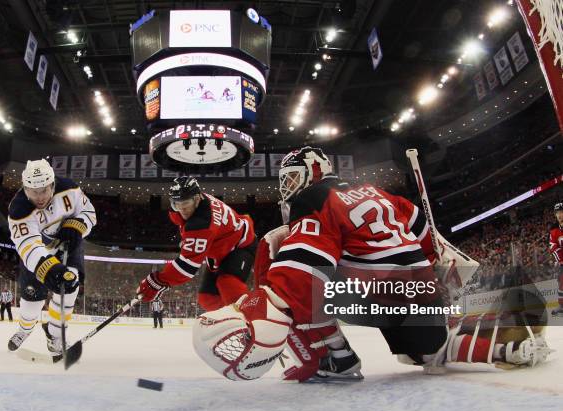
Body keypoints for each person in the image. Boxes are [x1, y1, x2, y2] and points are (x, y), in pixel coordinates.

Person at [193, 146, 551, 381]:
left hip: (375, 295)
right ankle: (510, 349)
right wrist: (433, 261)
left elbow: (302, 268)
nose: (288, 188)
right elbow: (422, 229)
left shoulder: (315, 202)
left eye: (292, 179)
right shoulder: (378, 193)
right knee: (429, 353)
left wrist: (266, 297)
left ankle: (338, 359)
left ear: (313, 173)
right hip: (421, 291)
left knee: (279, 256)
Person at [6, 159, 97, 356]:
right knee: (32, 302)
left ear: (52, 184)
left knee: (70, 284)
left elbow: (89, 212)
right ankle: (25, 328)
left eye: (44, 190)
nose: (39, 197)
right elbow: (27, 244)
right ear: (25, 188)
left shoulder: (70, 189)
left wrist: (78, 224)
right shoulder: (19, 208)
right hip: (40, 254)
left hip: (68, 245)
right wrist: (48, 268)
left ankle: (55, 334)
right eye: (33, 191)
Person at [136, 176, 256, 312]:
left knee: (228, 284)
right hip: (221, 249)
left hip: (241, 245)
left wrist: (157, 281)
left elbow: (187, 268)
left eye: (185, 203)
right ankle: (229, 321)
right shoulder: (199, 203)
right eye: (177, 204)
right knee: (208, 299)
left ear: (197, 199)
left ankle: (252, 319)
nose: (182, 209)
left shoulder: (202, 222)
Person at [548, 202, 563, 316]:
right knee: (561, 282)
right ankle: (562, 306)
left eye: (561, 212)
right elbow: (553, 247)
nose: (559, 215)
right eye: (557, 213)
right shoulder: (553, 231)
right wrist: (561, 260)